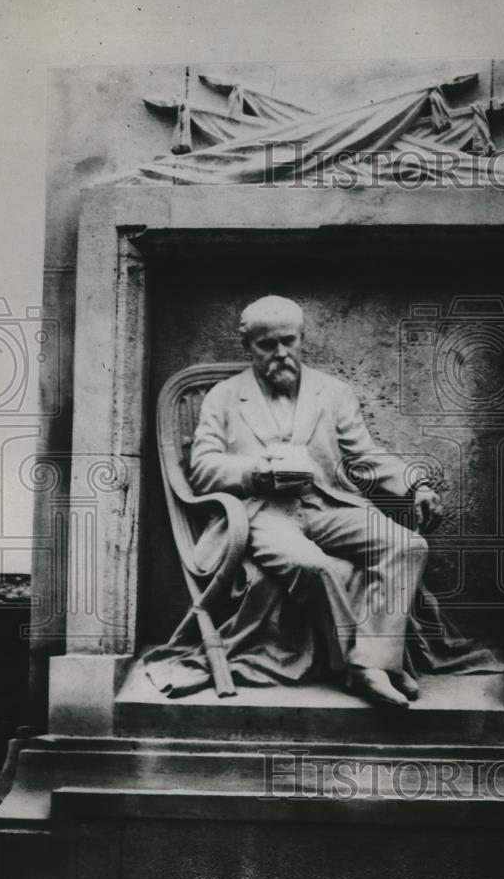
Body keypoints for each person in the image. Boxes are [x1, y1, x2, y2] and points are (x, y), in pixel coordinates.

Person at [189, 295, 443, 707]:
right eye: (266, 345)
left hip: (327, 505)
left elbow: (365, 456)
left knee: (408, 544)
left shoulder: (333, 391)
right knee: (314, 566)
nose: (280, 353)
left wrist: (416, 486)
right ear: (247, 347)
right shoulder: (223, 396)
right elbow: (201, 468)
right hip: (262, 515)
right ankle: (364, 670)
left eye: (288, 341)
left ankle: (377, 662)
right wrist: (256, 473)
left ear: (302, 338)